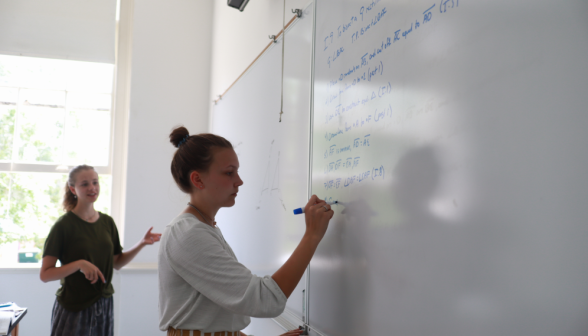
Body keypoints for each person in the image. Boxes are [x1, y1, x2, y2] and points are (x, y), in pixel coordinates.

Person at [159, 127, 334, 336]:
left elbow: (214, 321)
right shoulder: (188, 234)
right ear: (198, 180)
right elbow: (266, 300)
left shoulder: (204, 228)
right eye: (229, 172)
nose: (239, 181)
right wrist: (312, 236)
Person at [40, 164, 162, 336]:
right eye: (85, 184)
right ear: (72, 188)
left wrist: (141, 243)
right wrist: (79, 264)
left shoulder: (107, 222)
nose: (92, 188)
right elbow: (45, 274)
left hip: (104, 304)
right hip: (73, 306)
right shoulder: (63, 226)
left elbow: (117, 263)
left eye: (95, 182)